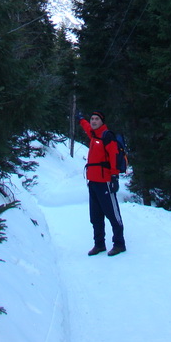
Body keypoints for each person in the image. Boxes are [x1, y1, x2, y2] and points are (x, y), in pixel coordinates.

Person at [76, 110, 126, 256]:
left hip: (105, 181)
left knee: (112, 214)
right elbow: (86, 127)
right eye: (92, 119)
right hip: (92, 182)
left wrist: (114, 177)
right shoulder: (93, 134)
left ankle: (119, 244)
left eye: (96, 119)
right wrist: (80, 119)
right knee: (95, 216)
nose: (93, 121)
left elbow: (113, 156)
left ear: (102, 121)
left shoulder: (107, 136)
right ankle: (99, 244)